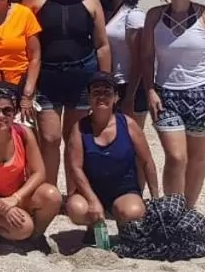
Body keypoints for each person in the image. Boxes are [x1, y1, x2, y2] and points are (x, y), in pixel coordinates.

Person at [130, 0, 205, 206]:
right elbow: (146, 57)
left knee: (196, 158)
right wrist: (150, 90)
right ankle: (173, 209)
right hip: (165, 96)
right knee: (175, 157)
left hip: (202, 96)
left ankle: (188, 210)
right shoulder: (154, 16)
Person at [23, 0, 111, 185]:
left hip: (82, 75)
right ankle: (48, 192)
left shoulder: (91, 1)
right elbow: (20, 32)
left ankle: (74, 193)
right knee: (49, 138)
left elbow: (102, 45)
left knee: (75, 139)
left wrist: (105, 81)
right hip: (46, 76)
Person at [0, 83, 63, 243]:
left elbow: (39, 173)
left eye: (7, 111)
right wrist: (1, 206)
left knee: (52, 196)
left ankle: (35, 238)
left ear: (14, 113)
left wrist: (16, 198)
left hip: (17, 195)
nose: (0, 116)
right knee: (23, 228)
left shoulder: (24, 133)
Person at [65, 73, 160, 233]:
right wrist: (93, 200)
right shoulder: (79, 128)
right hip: (91, 190)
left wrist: (156, 199)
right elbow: (75, 168)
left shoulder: (129, 124)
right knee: (76, 209)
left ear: (116, 97)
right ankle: (94, 229)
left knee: (133, 212)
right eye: (96, 92)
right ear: (89, 98)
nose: (101, 96)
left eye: (107, 92)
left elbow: (147, 162)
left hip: (124, 190)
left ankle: (124, 229)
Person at [100, 0, 147, 127]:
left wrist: (130, 97)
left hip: (130, 85)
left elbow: (140, 59)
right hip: (110, 83)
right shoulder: (104, 11)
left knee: (131, 136)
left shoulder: (133, 15)